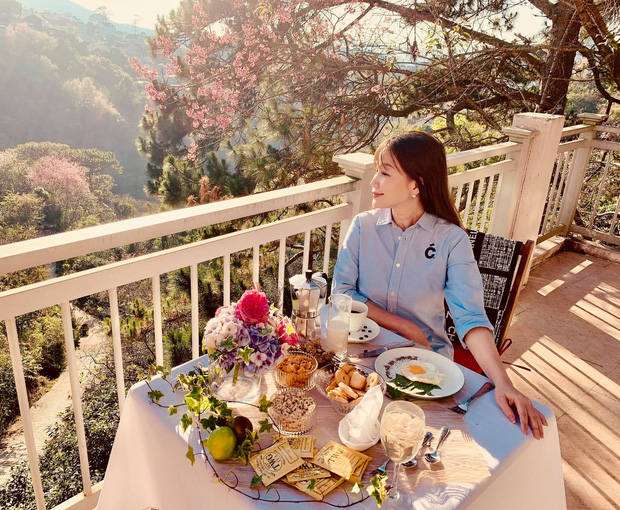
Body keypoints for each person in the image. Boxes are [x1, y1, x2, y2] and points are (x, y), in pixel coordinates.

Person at [332, 131, 548, 439]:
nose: (374, 182)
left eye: (384, 172)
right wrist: (404, 326)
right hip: (365, 353)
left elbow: (470, 318)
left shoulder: (451, 240)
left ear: (415, 185)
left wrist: (503, 382)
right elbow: (341, 292)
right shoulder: (363, 227)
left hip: (426, 364)